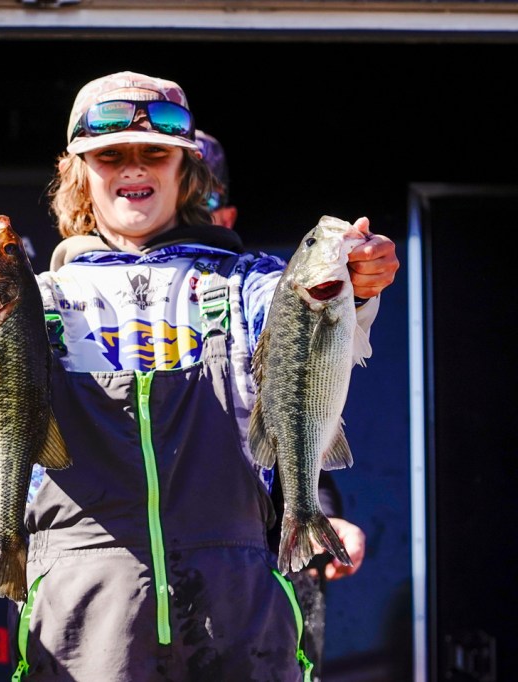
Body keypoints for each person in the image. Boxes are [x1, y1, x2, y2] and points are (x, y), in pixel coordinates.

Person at [0, 71, 398, 681]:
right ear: (78, 174)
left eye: (155, 154)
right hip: (80, 617)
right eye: (110, 155)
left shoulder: (249, 281)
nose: (134, 168)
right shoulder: (39, 295)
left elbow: (314, 343)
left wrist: (357, 285)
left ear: (186, 170)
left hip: (240, 612)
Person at [197, 128, 367, 681]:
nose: (190, 211)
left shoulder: (260, 287)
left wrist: (325, 512)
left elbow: (300, 411)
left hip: (267, 561)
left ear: (227, 213)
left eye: (204, 198)